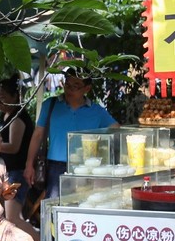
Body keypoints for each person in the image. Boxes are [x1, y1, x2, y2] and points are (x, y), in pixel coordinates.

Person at [23, 69, 119, 201]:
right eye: (67, 85)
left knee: (84, 204)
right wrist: (29, 165)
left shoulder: (97, 111)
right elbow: (38, 135)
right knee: (55, 205)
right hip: (55, 167)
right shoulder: (50, 104)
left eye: (76, 86)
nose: (70, 90)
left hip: (86, 167)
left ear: (87, 88)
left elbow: (117, 130)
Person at [0, 78, 35, 238]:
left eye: (3, 96)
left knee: (13, 217)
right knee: (7, 216)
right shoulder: (4, 116)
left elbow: (13, 146)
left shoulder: (17, 118)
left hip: (17, 173)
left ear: (15, 97)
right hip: (7, 172)